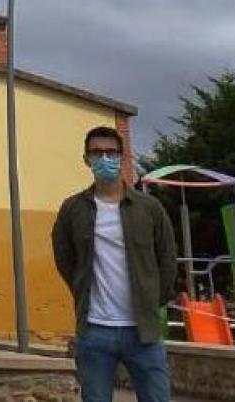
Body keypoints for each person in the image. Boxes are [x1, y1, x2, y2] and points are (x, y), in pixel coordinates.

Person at [51, 126, 177, 402]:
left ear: (122, 157)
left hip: (143, 331)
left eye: (111, 152)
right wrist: (82, 290)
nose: (104, 159)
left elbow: (167, 260)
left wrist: (153, 300)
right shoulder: (73, 209)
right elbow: (64, 257)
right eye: (97, 153)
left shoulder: (149, 208)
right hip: (94, 330)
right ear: (86, 159)